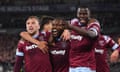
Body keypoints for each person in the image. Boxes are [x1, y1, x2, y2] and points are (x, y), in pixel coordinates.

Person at [65, 7, 101, 72]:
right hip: (72, 65)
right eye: (80, 14)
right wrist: (66, 29)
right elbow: (65, 24)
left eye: (85, 14)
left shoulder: (94, 24)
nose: (82, 16)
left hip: (86, 66)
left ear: (89, 14)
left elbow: (92, 34)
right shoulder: (74, 21)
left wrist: (71, 27)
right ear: (77, 14)